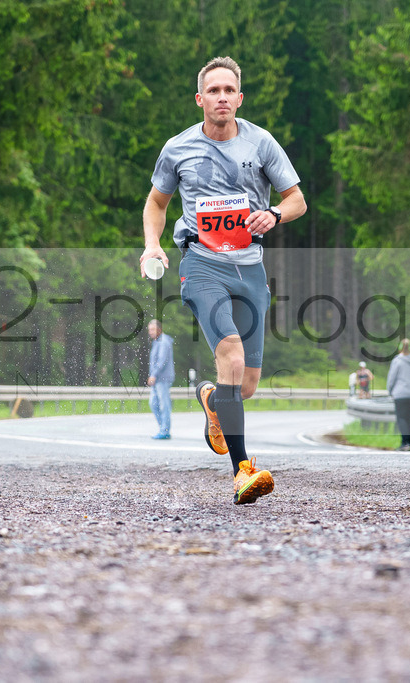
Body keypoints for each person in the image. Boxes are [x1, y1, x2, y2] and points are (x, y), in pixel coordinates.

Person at [139, 56, 306, 504]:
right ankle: (242, 470)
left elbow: (297, 201)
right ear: (200, 99)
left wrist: (272, 214)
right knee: (229, 354)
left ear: (240, 97)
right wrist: (152, 244)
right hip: (201, 263)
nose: (222, 98)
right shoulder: (177, 148)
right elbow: (156, 203)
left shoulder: (262, 143)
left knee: (245, 385)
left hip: (249, 268)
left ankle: (212, 399)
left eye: (229, 91)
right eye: (213, 91)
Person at [386, 338, 410, 451]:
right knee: (409, 419)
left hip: (400, 393)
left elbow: (392, 377)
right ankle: (409, 443)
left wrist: (390, 390)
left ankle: (404, 443)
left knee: (401, 418)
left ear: (400, 348)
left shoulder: (397, 361)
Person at [147, 319, 175, 439]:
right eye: (149, 330)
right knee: (153, 403)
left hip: (162, 378)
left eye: (152, 329)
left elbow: (162, 361)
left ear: (159, 329)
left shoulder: (163, 342)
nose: (150, 332)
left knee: (164, 405)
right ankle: (163, 428)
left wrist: (154, 375)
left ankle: (165, 431)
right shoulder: (157, 341)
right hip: (157, 379)